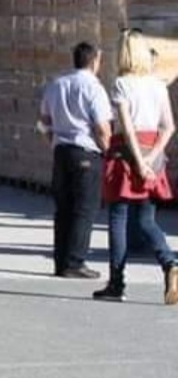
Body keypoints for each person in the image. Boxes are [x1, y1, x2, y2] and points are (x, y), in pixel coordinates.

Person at [93, 30, 178, 304]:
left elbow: (127, 129)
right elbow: (169, 126)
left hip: (126, 156)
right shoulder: (158, 85)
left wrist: (139, 162)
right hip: (153, 150)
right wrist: (153, 156)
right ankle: (170, 263)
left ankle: (117, 283)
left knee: (118, 218)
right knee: (146, 219)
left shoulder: (121, 84)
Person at [39, 42, 113, 280]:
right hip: (86, 152)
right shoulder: (94, 88)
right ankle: (75, 261)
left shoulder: (57, 84)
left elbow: (42, 121)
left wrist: (53, 140)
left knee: (63, 209)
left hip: (61, 151)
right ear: (94, 61)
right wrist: (108, 150)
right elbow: (102, 127)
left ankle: (61, 261)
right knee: (85, 208)